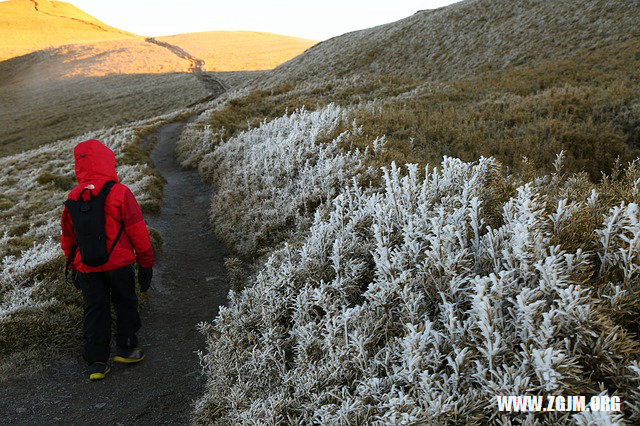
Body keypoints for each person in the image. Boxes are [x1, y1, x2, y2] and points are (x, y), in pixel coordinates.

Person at [60, 139, 154, 381]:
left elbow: (68, 239)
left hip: (87, 267)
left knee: (95, 310)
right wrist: (145, 263)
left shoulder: (73, 196)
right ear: (107, 161)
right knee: (125, 302)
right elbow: (137, 231)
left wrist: (74, 267)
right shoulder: (120, 192)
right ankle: (127, 348)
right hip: (119, 264)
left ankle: (97, 363)